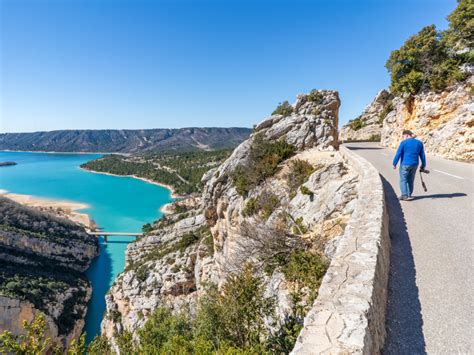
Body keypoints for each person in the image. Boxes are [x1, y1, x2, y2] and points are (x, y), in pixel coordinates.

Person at [392, 130, 427, 201]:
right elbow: (422, 155)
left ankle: (404, 195)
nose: (403, 138)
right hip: (415, 164)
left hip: (405, 164)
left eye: (403, 136)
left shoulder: (403, 143)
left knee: (403, 180)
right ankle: (409, 195)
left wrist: (394, 163)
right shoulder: (419, 143)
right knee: (411, 180)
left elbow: (398, 153)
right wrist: (423, 165)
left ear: (407, 135)